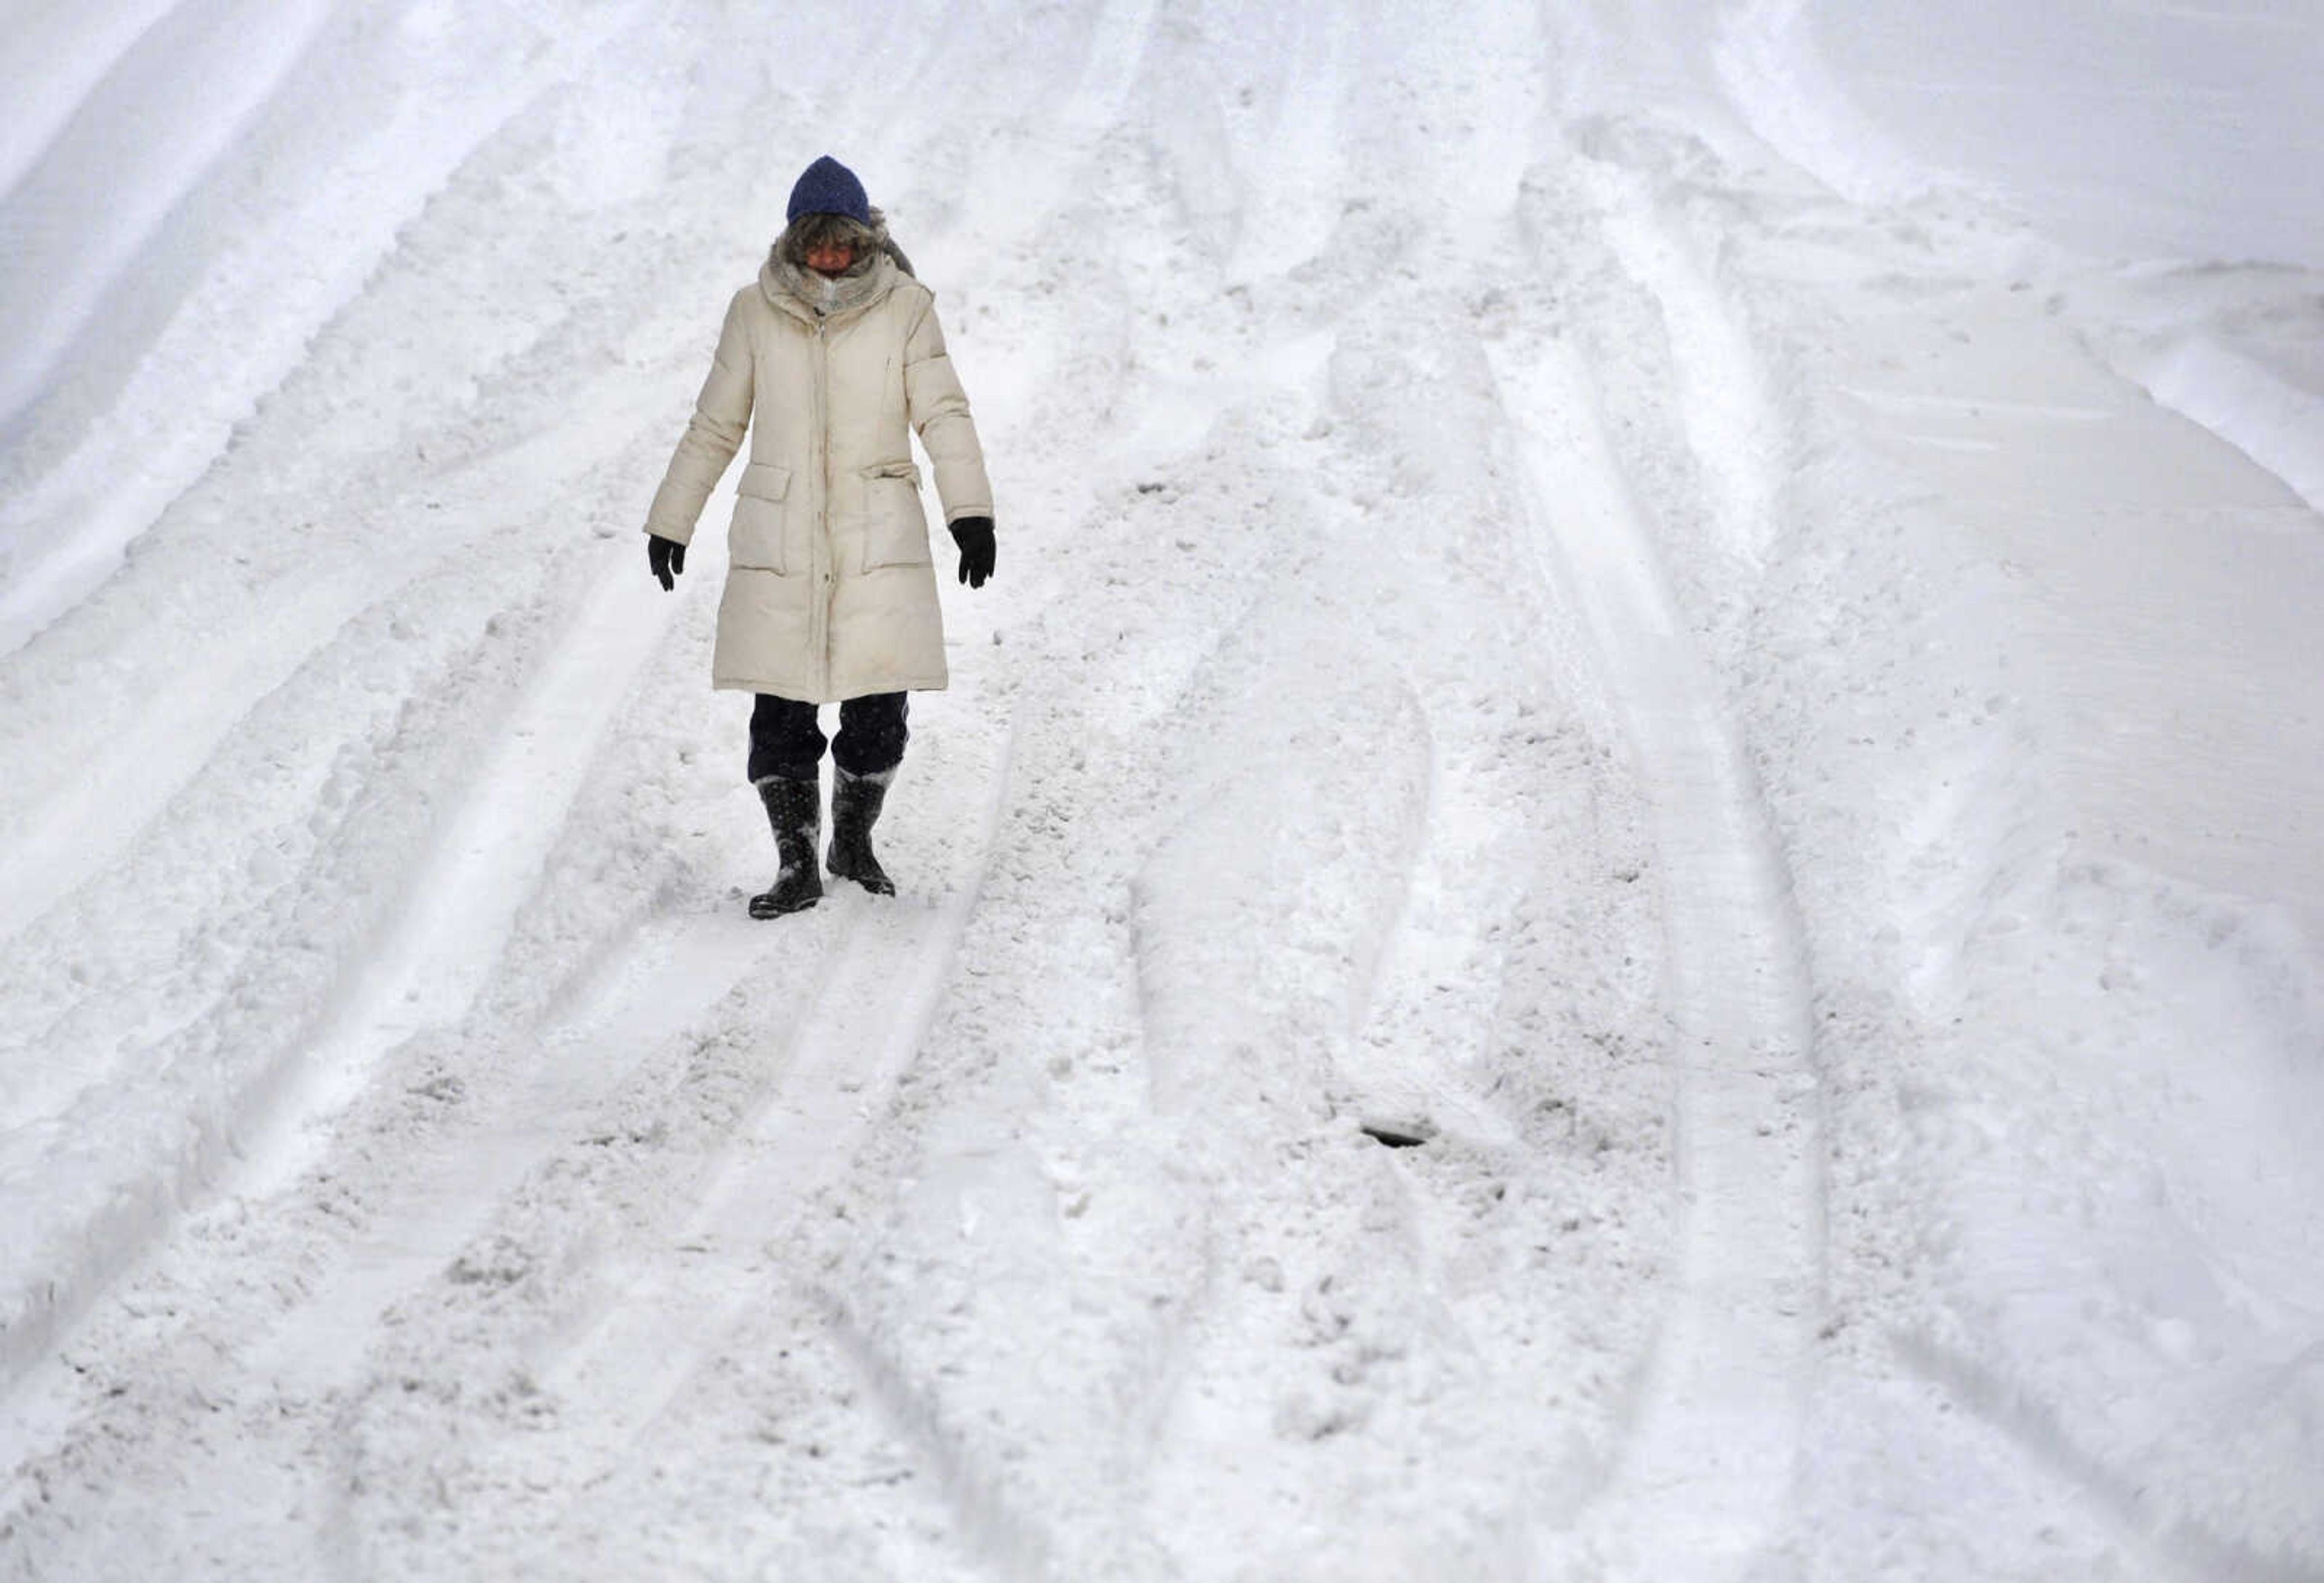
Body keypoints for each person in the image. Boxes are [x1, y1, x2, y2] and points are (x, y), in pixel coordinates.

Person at [643, 156, 994, 917]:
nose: (830, 256)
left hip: (877, 535)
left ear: (866, 241)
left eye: (844, 242)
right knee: (782, 713)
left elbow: (944, 413)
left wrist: (971, 514)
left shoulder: (907, 309)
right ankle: (795, 860)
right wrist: (671, 519)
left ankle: (853, 841)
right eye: (817, 241)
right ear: (796, 240)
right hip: (784, 539)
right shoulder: (753, 312)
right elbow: (716, 424)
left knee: (877, 711)